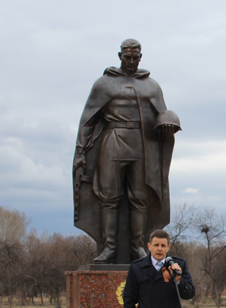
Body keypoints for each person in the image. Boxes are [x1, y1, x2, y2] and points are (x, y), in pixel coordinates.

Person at [73, 38, 180, 264]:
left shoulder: (151, 86)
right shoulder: (104, 83)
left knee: (140, 197)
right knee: (108, 196)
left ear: (141, 57)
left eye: (135, 57)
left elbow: (161, 117)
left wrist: (168, 127)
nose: (131, 61)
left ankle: (138, 247)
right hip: (113, 140)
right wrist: (81, 151)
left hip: (142, 144)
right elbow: (88, 120)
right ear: (120, 56)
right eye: (127, 57)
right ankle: (109, 247)